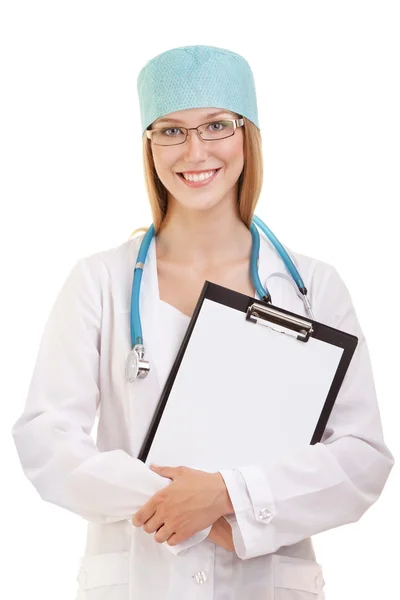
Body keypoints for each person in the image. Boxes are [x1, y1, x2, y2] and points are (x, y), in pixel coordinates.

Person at [11, 45, 394, 600]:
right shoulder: (100, 281)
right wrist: (176, 503)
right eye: (170, 130)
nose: (194, 150)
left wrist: (228, 497)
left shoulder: (315, 288)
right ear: (149, 143)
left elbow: (362, 458)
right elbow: (46, 440)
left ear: (248, 134)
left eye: (216, 125)